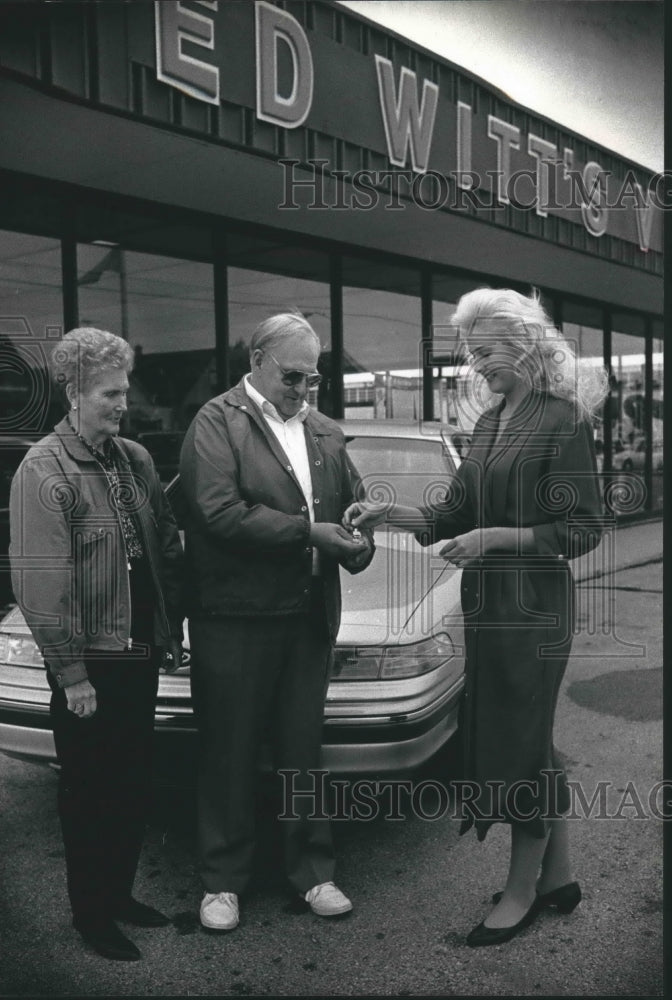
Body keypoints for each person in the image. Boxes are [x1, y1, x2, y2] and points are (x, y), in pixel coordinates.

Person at [344, 288, 607, 947]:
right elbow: (449, 517)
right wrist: (386, 512)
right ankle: (560, 878)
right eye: (471, 352)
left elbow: (583, 529)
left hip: (535, 610)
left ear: (523, 344)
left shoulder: (561, 418)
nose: (476, 362)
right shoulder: (492, 422)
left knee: (520, 743)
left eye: (485, 349)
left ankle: (522, 891)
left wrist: (497, 538)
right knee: (532, 740)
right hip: (487, 607)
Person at [179, 313, 374, 932]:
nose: (303, 390)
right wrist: (309, 534)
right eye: (293, 376)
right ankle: (221, 882)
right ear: (258, 360)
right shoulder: (216, 421)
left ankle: (313, 872)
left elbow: (352, 511)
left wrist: (359, 538)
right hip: (233, 618)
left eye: (312, 379)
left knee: (301, 751)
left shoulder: (324, 430)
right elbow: (217, 512)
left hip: (305, 619)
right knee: (228, 751)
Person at [9, 328, 184, 962]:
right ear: (75, 392)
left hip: (136, 652)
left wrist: (168, 631)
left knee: (133, 782)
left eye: (125, 391)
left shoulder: (132, 458)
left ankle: (119, 894)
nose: (122, 403)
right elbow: (38, 580)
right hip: (90, 664)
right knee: (90, 790)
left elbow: (162, 549)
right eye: (110, 393)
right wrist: (71, 672)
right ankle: (91, 914)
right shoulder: (44, 467)